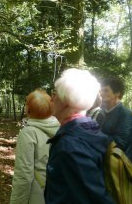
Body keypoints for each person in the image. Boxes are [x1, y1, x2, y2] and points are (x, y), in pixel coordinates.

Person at [45, 68, 113, 204]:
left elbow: (95, 197)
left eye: (54, 94)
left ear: (66, 100)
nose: (52, 99)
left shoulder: (70, 144)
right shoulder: (89, 129)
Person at [10, 90, 60, 204]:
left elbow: (23, 174)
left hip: (38, 194)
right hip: (58, 192)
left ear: (27, 110)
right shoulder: (62, 127)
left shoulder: (28, 133)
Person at [99, 78, 132, 151]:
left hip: (113, 159)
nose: (102, 93)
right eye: (101, 90)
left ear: (117, 94)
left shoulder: (125, 114)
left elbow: (121, 142)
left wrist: (94, 138)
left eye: (106, 90)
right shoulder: (101, 111)